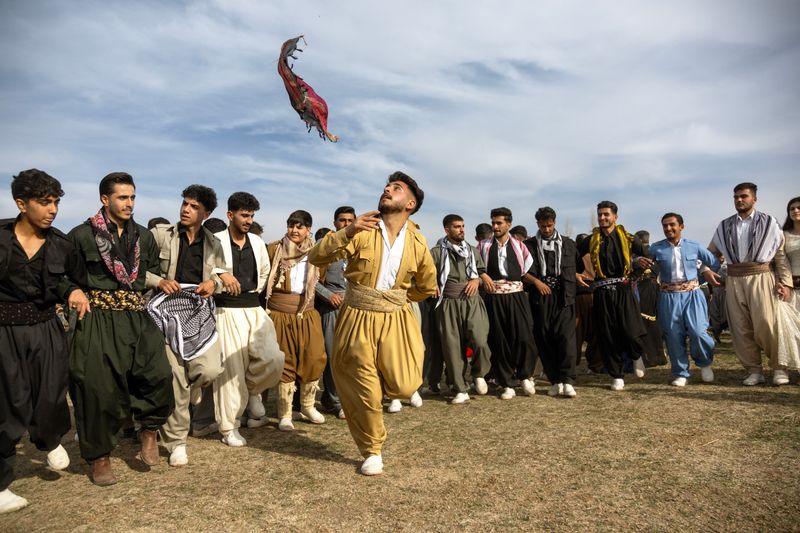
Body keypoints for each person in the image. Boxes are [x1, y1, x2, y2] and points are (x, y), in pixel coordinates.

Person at [308, 171, 437, 476]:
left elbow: (427, 283)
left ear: (411, 203)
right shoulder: (363, 230)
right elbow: (316, 257)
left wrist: (401, 298)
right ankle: (372, 449)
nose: (387, 189)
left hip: (396, 314)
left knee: (406, 385)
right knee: (363, 386)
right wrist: (347, 232)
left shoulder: (418, 240)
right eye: (387, 186)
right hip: (358, 314)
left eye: (396, 188)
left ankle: (380, 390)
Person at [68, 172, 174, 485]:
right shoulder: (81, 235)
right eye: (122, 198)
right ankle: (100, 457)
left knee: (158, 374)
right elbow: (67, 276)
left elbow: (150, 273)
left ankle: (149, 430)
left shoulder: (143, 235)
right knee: (98, 388)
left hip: (137, 315)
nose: (129, 204)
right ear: (105, 199)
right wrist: (72, 291)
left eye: (132, 197)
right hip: (98, 317)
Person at [0, 170, 88, 512]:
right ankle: (2, 485)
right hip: (4, 331)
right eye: (44, 202)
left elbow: (69, 280)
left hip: (47, 327)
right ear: (22, 204)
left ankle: (49, 438)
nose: (52, 209)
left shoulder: (62, 244)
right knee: (9, 404)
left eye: (56, 202)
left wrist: (75, 290)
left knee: (53, 393)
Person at [149, 185, 234, 466]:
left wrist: (214, 283)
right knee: (174, 378)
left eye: (194, 206)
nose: (186, 209)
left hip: (198, 310)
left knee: (209, 369)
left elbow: (223, 278)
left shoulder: (215, 244)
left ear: (206, 213)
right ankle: (176, 442)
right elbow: (139, 269)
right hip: (165, 310)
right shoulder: (161, 235)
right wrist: (158, 282)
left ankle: (192, 390)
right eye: (185, 204)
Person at [210, 192, 285, 445]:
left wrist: (249, 291)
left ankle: (253, 391)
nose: (248, 220)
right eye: (244, 215)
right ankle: (229, 427)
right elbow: (206, 269)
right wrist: (221, 274)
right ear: (230, 215)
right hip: (226, 309)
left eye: (251, 215)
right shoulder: (214, 240)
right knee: (231, 371)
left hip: (254, 307)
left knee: (273, 359)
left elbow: (264, 273)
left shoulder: (256, 241)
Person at [707, 183, 793, 385]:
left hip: (762, 276)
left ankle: (779, 368)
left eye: (744, 196)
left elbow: (780, 256)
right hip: (734, 278)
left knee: (767, 324)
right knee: (740, 327)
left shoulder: (770, 222)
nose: (739, 200)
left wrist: (786, 283)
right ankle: (754, 370)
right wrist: (706, 270)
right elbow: (710, 253)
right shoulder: (724, 225)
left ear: (754, 199)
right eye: (736, 197)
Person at [577, 201, 649, 391]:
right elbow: (575, 256)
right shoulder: (591, 240)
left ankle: (636, 355)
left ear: (615, 216)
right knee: (608, 335)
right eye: (600, 214)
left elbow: (647, 260)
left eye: (606, 214)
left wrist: (634, 277)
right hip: (601, 292)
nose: (602, 218)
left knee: (631, 330)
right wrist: (577, 273)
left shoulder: (629, 238)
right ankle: (617, 375)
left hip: (624, 290)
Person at [266, 210, 327, 431]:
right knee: (286, 360)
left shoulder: (317, 253)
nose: (294, 230)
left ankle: (308, 406)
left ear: (308, 229)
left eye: (300, 226)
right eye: (291, 225)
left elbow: (323, 277)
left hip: (308, 312)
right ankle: (285, 414)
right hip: (280, 312)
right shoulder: (274, 249)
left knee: (314, 357)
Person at [649, 213, 720, 386]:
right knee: (673, 335)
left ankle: (705, 364)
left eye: (672, 225)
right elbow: (644, 263)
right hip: (668, 297)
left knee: (698, 332)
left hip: (693, 295)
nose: (668, 228)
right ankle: (681, 373)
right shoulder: (655, 248)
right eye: (665, 226)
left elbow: (714, 263)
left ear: (681, 226)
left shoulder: (694, 246)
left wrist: (703, 273)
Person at [430, 214, 493, 404]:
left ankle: (479, 373)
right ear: (447, 230)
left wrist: (476, 279)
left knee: (480, 340)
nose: (461, 230)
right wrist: (431, 283)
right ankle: (460, 388)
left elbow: (480, 272)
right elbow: (423, 273)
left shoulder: (472, 251)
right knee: (452, 348)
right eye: (457, 226)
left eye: (463, 226)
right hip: (448, 303)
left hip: (472, 302)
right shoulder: (436, 252)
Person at [477, 207, 538, 399]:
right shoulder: (484, 246)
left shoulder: (520, 246)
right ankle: (507, 383)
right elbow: (475, 268)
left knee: (524, 337)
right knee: (499, 340)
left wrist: (537, 283)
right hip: (493, 297)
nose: (495, 226)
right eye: (493, 223)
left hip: (516, 296)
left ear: (508, 224)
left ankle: (525, 375)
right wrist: (483, 275)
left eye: (499, 223)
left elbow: (526, 271)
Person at [524, 207, 581, 397]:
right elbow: (523, 271)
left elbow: (577, 266)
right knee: (544, 338)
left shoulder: (569, 244)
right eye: (542, 226)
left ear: (554, 223)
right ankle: (555, 380)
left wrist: (579, 277)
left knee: (566, 338)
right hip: (540, 298)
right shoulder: (529, 245)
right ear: (537, 224)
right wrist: (536, 282)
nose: (546, 230)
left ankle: (568, 380)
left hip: (564, 297)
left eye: (549, 225)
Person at [314, 207, 356, 419]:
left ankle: (351, 398)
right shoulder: (326, 247)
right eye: (342, 220)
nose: (346, 223)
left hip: (357, 308)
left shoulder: (362, 245)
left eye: (350, 220)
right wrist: (328, 295)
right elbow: (310, 278)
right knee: (333, 356)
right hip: (332, 306)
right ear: (335, 222)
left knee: (356, 356)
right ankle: (334, 401)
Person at [632, 230, 666, 367]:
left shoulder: (650, 254)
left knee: (646, 324)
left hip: (646, 290)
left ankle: (652, 356)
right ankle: (656, 356)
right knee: (651, 323)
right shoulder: (652, 254)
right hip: (649, 288)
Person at [776, 197, 800, 370]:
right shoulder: (783, 235)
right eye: (792, 208)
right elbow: (779, 262)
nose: (796, 211)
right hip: (794, 287)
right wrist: (782, 283)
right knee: (794, 331)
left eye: (799, 208)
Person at [574, 233, 603, 373]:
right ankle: (595, 365)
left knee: (576, 331)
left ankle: (573, 362)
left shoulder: (575, 256)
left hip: (580, 295)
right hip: (593, 294)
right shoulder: (596, 255)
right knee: (596, 331)